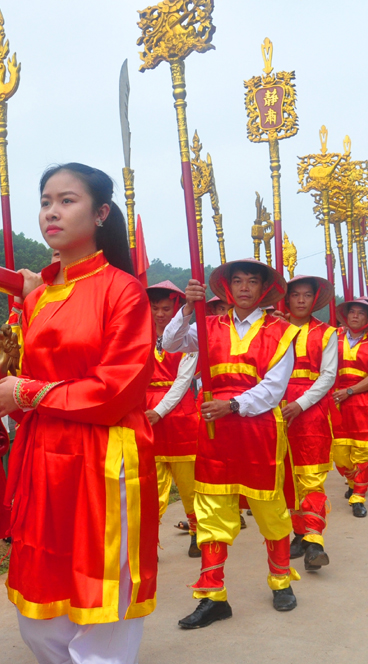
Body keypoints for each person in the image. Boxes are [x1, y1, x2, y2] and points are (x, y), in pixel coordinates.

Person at [0, 163, 157, 664]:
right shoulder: (36, 296)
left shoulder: (123, 290)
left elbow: (118, 387)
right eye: (46, 200)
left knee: (101, 601)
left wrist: (27, 394)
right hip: (43, 456)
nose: (52, 211)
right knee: (41, 607)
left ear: (100, 213)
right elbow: (6, 374)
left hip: (101, 455)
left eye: (67, 200)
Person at [163, 258, 297, 627]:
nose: (243, 287)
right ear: (226, 288)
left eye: (251, 281)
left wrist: (234, 405)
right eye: (236, 281)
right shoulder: (208, 325)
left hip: (258, 431)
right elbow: (170, 341)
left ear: (263, 289)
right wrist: (188, 307)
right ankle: (213, 596)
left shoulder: (281, 332)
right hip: (213, 431)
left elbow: (274, 389)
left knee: (270, 510)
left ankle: (281, 580)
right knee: (212, 514)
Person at [280, 276, 336, 572]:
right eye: (295, 295)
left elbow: (327, 377)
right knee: (285, 477)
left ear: (315, 300)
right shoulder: (273, 329)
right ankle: (299, 532)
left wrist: (300, 403)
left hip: (311, 411)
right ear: (286, 299)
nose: (300, 300)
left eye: (306, 295)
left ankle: (314, 540)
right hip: (274, 406)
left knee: (311, 477)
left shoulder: (327, 334)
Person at [144, 281, 200, 557]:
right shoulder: (137, 336)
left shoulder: (189, 337)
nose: (160, 313)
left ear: (177, 308)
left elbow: (183, 381)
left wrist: (159, 410)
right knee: (150, 487)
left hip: (180, 417)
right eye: (155, 308)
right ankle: (148, 541)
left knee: (189, 485)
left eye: (166, 308)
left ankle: (197, 532)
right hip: (146, 418)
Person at [331, 298, 368, 519]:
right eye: (352, 312)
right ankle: (352, 481)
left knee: (361, 452)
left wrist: (351, 391)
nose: (355, 316)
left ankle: (358, 497)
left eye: (360, 313)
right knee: (339, 453)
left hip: (361, 401)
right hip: (335, 400)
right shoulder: (331, 338)